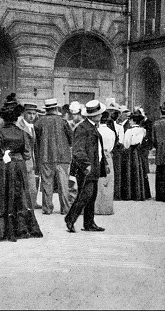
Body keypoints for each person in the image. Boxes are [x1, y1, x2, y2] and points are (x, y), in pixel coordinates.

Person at [0, 100, 43, 242]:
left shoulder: (0, 132)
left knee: (2, 195)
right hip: (18, 166)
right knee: (20, 195)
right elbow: (27, 154)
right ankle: (21, 228)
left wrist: (3, 153)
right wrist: (17, 156)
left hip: (3, 167)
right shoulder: (22, 133)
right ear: (17, 117)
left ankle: (0, 230)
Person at [65, 100, 108, 233]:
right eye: (99, 114)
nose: (101, 116)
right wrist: (86, 164)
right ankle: (70, 219)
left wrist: (104, 163)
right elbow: (78, 150)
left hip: (94, 166)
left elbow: (99, 148)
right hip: (86, 168)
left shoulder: (92, 126)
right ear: (93, 115)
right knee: (85, 194)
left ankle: (89, 223)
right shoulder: (82, 128)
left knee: (92, 195)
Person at [34, 98, 73, 215]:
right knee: (63, 185)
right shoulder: (63, 121)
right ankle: (65, 208)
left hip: (45, 157)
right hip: (63, 158)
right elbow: (71, 139)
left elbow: (36, 142)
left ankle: (47, 208)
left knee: (47, 184)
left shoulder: (39, 122)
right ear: (56, 108)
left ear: (46, 109)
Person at [121, 112, 151, 201]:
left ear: (134, 121)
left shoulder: (129, 131)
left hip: (130, 152)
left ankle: (130, 193)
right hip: (138, 152)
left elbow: (126, 144)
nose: (129, 121)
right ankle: (139, 193)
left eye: (130, 119)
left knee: (130, 171)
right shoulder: (143, 130)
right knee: (138, 170)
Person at [16, 102, 40, 210]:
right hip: (23, 160)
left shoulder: (32, 126)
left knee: (32, 188)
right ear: (24, 114)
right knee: (23, 187)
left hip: (31, 160)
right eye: (29, 113)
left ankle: (31, 205)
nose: (32, 116)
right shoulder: (19, 126)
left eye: (34, 114)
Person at [94, 111, 116, 213]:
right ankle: (107, 208)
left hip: (98, 155)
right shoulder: (111, 132)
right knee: (108, 182)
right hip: (107, 155)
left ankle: (97, 207)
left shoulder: (96, 131)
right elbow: (112, 145)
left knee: (98, 182)